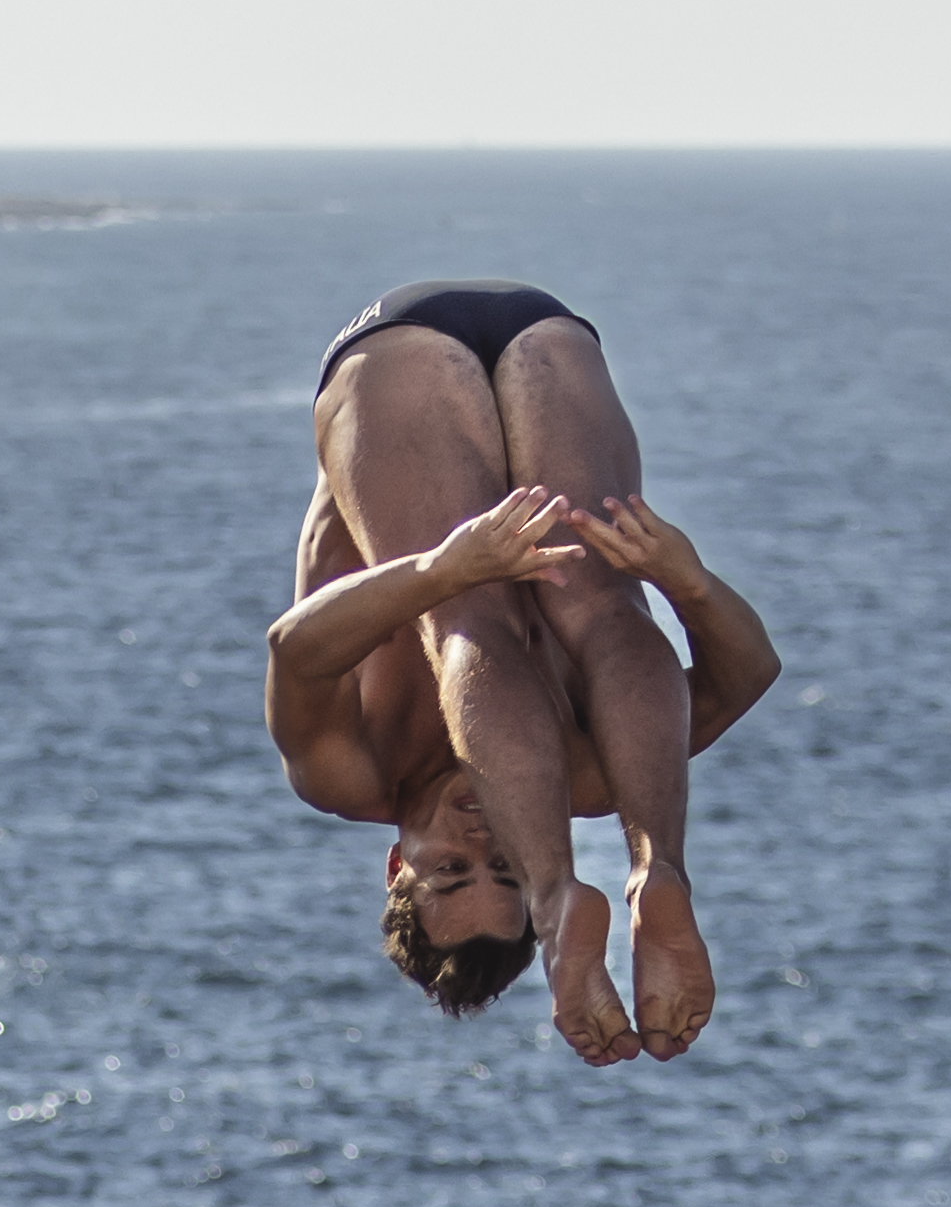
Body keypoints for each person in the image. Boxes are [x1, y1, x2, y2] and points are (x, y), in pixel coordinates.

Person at [262, 281, 786, 1060]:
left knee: (467, 617)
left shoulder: (346, 771)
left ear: (397, 863)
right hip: (545, 333)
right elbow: (743, 673)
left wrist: (439, 571)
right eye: (504, 864)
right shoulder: (594, 775)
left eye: (449, 868)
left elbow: (295, 650)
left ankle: (556, 893)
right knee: (604, 606)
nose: (477, 837)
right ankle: (656, 870)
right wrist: (690, 582)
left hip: (397, 354)